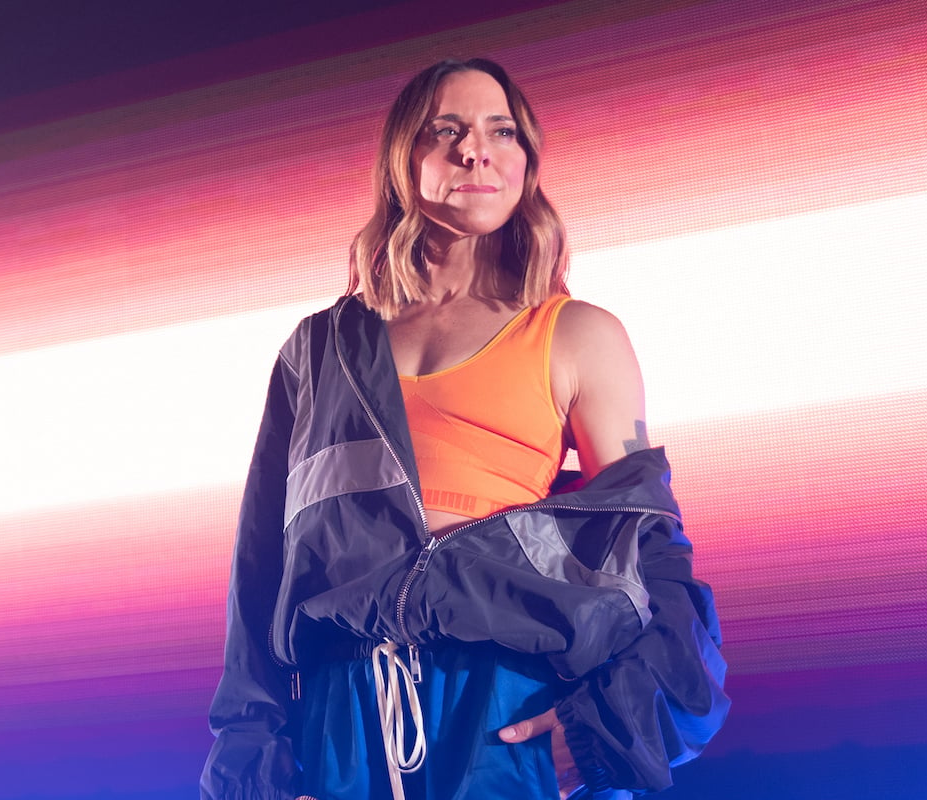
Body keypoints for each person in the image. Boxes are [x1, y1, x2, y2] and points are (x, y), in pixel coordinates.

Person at [201, 58, 729, 800]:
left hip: (503, 695)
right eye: (445, 131)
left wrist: (608, 725)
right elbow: (259, 574)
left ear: (525, 161)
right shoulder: (318, 350)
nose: (474, 150)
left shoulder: (577, 334)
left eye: (499, 131)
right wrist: (257, 768)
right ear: (401, 162)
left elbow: (647, 552)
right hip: (341, 707)